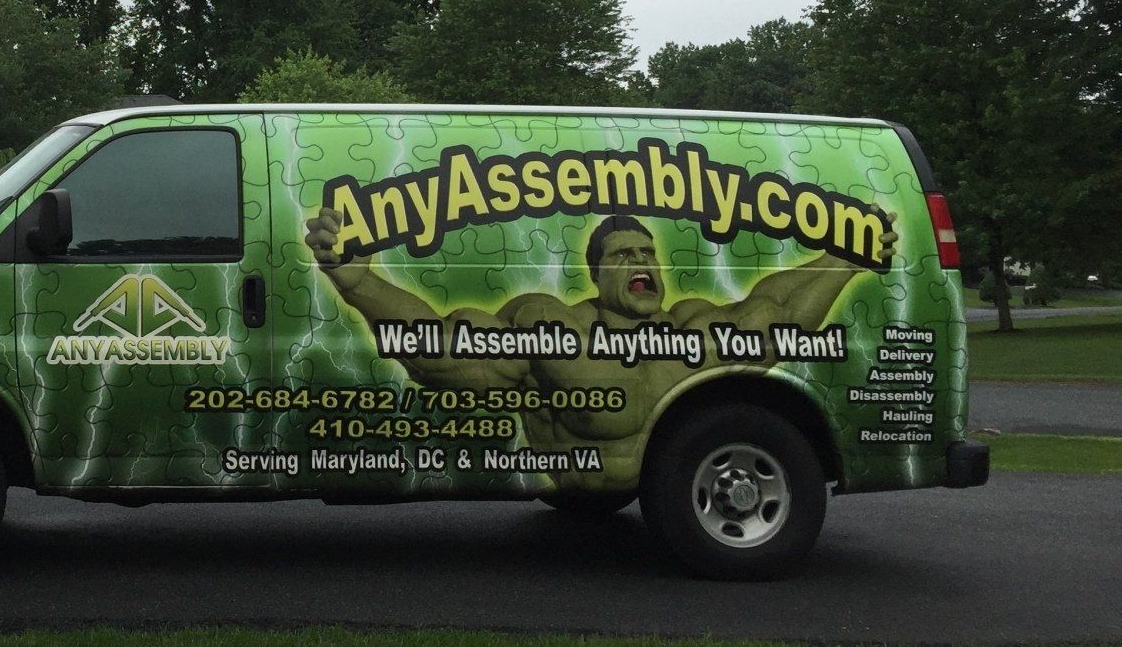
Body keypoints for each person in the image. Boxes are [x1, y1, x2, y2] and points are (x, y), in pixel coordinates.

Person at [303, 210, 896, 491]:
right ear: (596, 274)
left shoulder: (693, 326)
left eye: (647, 254)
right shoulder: (552, 326)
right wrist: (360, 284)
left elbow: (778, 312)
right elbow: (444, 353)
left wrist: (846, 257)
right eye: (623, 256)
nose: (641, 263)